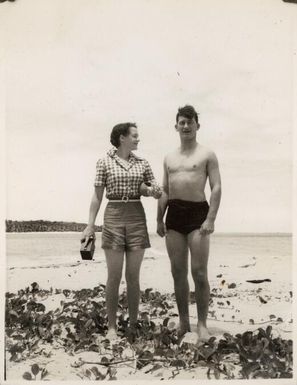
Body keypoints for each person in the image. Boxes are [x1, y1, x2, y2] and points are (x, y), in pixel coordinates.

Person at [81, 122, 161, 340]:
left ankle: (133, 325)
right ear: (122, 138)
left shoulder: (143, 163)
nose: (138, 139)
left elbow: (148, 187)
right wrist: (90, 224)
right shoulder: (104, 162)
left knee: (133, 277)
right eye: (134, 136)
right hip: (113, 215)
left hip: (136, 215)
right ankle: (112, 328)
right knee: (114, 276)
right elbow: (97, 196)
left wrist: (153, 191)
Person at [157, 105, 221, 341]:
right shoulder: (169, 158)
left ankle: (202, 324)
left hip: (197, 215)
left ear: (197, 126)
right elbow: (164, 189)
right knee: (178, 272)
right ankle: (184, 322)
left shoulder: (207, 154)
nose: (185, 126)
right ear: (176, 126)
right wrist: (158, 218)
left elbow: (216, 187)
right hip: (174, 214)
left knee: (200, 272)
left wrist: (211, 218)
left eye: (190, 122)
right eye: (181, 122)